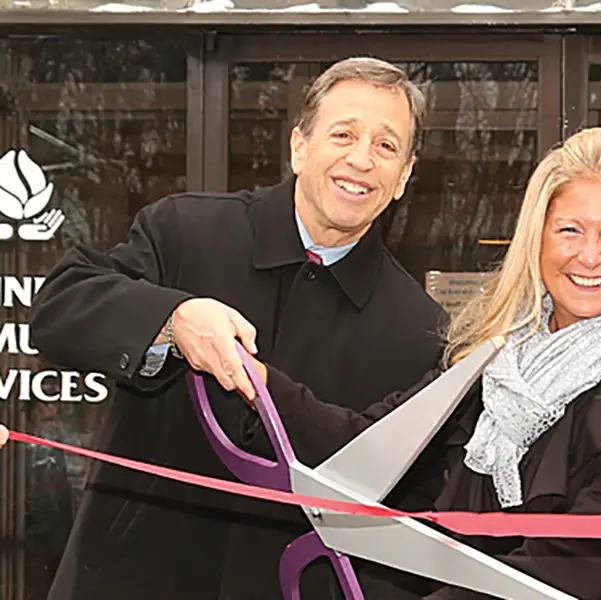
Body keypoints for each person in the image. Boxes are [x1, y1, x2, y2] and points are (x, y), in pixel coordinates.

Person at [242, 126, 601, 600]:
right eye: (570, 230)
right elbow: (368, 442)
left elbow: (576, 560)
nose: (590, 255)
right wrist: (253, 379)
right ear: (537, 241)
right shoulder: (491, 358)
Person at [28, 57, 447, 600]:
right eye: (343, 133)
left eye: (387, 146)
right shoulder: (184, 230)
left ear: (404, 176)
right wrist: (171, 321)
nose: (361, 159)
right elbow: (59, 308)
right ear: (300, 146)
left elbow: (404, 514)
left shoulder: (420, 329)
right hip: (125, 578)